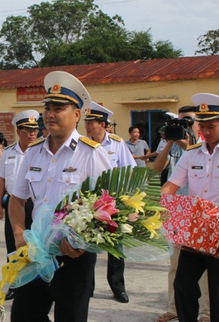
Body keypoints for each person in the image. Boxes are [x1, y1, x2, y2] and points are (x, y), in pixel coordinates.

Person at [9, 71, 112, 322]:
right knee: (23, 316)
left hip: (73, 255)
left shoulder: (91, 154)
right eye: (48, 108)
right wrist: (19, 233)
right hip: (36, 252)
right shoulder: (33, 153)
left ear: (77, 115)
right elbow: (17, 199)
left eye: (59, 108)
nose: (51, 114)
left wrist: (82, 241)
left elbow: (110, 205)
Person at [161, 93, 219, 322]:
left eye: (211, 126)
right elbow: (171, 185)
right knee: (183, 285)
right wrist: (151, 209)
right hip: (195, 230)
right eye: (201, 125)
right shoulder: (193, 152)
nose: (205, 131)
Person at [154, 106, 210, 322]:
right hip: (176, 210)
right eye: (180, 121)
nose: (182, 125)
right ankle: (174, 307)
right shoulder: (171, 141)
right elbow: (157, 168)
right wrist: (169, 142)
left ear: (197, 124)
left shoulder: (205, 145)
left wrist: (188, 145)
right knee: (175, 264)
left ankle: (206, 312)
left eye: (187, 121)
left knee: (203, 267)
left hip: (199, 210)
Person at [84, 101, 136, 304]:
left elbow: (129, 170)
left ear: (104, 124)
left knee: (115, 248)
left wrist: (129, 202)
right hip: (90, 202)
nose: (88, 126)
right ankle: (87, 287)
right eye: (87, 122)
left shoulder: (117, 144)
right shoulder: (82, 143)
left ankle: (117, 287)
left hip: (114, 202)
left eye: (93, 122)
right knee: (88, 245)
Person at [0, 109, 39, 300]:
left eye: (35, 130)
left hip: (35, 205)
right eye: (28, 130)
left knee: (36, 246)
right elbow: (2, 180)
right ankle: (13, 282)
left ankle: (37, 284)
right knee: (13, 244)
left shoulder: (40, 151)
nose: (32, 134)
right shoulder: (9, 152)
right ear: (19, 131)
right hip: (13, 204)